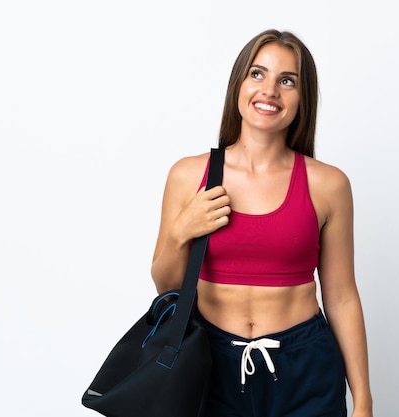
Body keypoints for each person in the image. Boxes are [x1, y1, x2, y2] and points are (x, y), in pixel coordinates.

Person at [151, 29, 373, 417]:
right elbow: (167, 285)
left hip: (305, 366)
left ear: (303, 99)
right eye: (258, 74)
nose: (269, 90)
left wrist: (364, 401)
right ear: (238, 84)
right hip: (211, 364)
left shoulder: (329, 185)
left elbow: (340, 296)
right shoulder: (189, 175)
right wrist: (181, 231)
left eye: (287, 81)